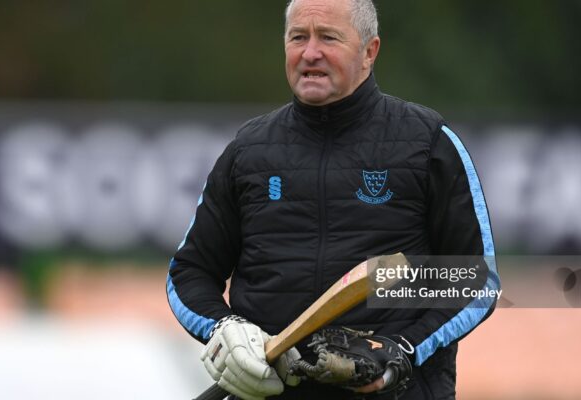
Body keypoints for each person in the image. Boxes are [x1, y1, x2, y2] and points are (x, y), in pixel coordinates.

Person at [166, 0, 500, 399]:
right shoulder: (248, 151)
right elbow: (189, 273)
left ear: (369, 51)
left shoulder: (428, 141)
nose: (310, 53)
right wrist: (225, 328)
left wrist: (401, 349)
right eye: (298, 38)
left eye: (328, 37)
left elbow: (473, 279)